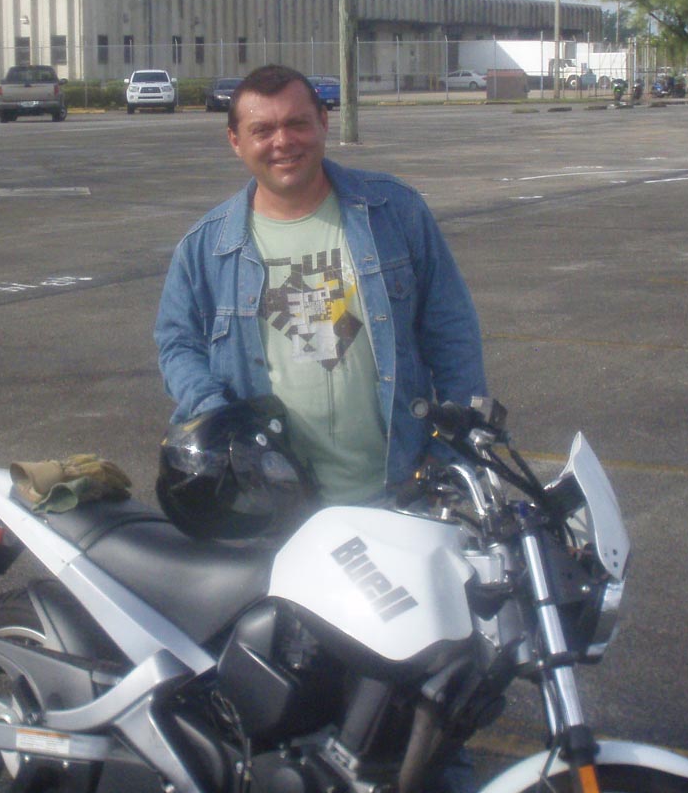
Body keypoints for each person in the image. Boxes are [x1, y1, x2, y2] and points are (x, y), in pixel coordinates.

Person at [155, 64, 486, 510]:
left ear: (323, 122)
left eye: (297, 123)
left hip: (400, 494)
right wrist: (219, 416)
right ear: (235, 141)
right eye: (262, 130)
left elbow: (453, 334)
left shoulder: (394, 212)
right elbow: (177, 344)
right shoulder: (205, 247)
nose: (283, 141)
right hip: (269, 505)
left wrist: (449, 453)